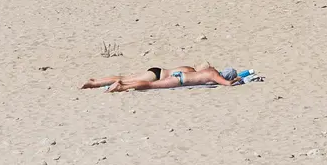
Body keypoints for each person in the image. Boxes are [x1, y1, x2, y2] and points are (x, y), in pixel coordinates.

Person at [80, 65, 243, 91]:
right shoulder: (213, 75)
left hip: (163, 71)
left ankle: (96, 82)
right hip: (172, 78)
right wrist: (237, 80)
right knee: (149, 85)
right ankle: (122, 86)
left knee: (126, 76)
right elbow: (226, 84)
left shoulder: (203, 70)